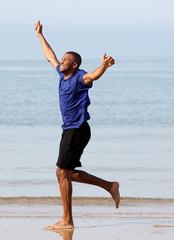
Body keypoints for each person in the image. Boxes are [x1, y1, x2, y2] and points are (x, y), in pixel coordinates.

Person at [35, 20, 120, 230]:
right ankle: (110, 186)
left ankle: (67, 220)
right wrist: (39, 35)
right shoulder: (62, 75)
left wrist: (104, 66)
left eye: (66, 60)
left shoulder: (80, 77)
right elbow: (49, 55)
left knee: (61, 172)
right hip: (69, 130)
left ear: (74, 65)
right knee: (67, 173)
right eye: (62, 59)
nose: (61, 61)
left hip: (78, 129)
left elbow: (93, 76)